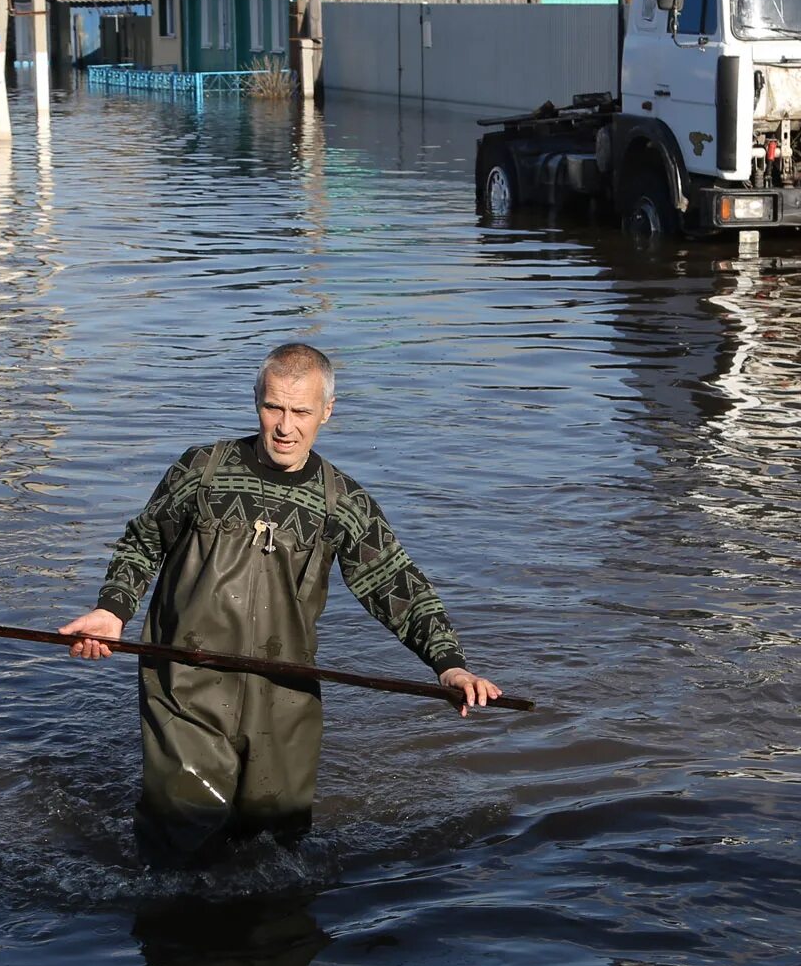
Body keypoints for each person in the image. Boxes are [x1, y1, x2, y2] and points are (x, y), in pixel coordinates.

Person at [60, 343, 504, 866]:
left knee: (277, 846)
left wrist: (448, 665)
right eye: (274, 407)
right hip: (185, 683)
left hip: (286, 693)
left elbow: (395, 583)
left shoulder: (344, 501)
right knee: (180, 837)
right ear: (256, 402)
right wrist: (113, 611)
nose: (285, 427)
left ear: (327, 412)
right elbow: (142, 542)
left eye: (301, 411)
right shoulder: (200, 469)